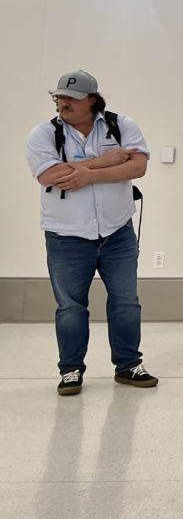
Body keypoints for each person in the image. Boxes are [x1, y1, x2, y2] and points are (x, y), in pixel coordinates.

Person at [25, 70, 155, 396]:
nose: (63, 103)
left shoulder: (121, 125)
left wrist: (83, 173)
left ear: (92, 100)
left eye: (71, 98)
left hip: (117, 233)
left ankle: (128, 366)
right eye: (59, 98)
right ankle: (70, 371)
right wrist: (103, 162)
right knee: (70, 306)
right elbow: (50, 175)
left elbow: (137, 167)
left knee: (126, 302)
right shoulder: (43, 134)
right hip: (66, 236)